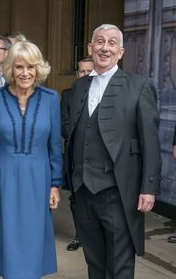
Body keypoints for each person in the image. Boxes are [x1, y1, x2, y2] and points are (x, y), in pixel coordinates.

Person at [65, 24, 161, 278]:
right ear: (90, 48)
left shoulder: (139, 86)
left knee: (119, 266)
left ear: (120, 52)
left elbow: (150, 142)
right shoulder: (78, 88)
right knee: (94, 263)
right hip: (83, 191)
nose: (104, 48)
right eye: (99, 42)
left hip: (119, 192)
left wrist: (149, 187)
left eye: (111, 43)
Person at [0, 40, 64, 278]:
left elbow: (55, 146)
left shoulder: (51, 98)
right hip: (2, 180)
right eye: (19, 67)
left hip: (38, 180)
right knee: (8, 241)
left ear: (38, 69)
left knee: (33, 240)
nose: (25, 73)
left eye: (31, 67)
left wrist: (55, 184)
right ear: (10, 70)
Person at [60, 56, 93, 251]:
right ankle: (80, 236)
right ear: (77, 73)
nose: (85, 75)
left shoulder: (105, 93)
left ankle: (97, 236)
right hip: (74, 156)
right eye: (82, 71)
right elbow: (64, 127)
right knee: (76, 198)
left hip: (100, 159)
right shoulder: (68, 94)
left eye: (89, 71)